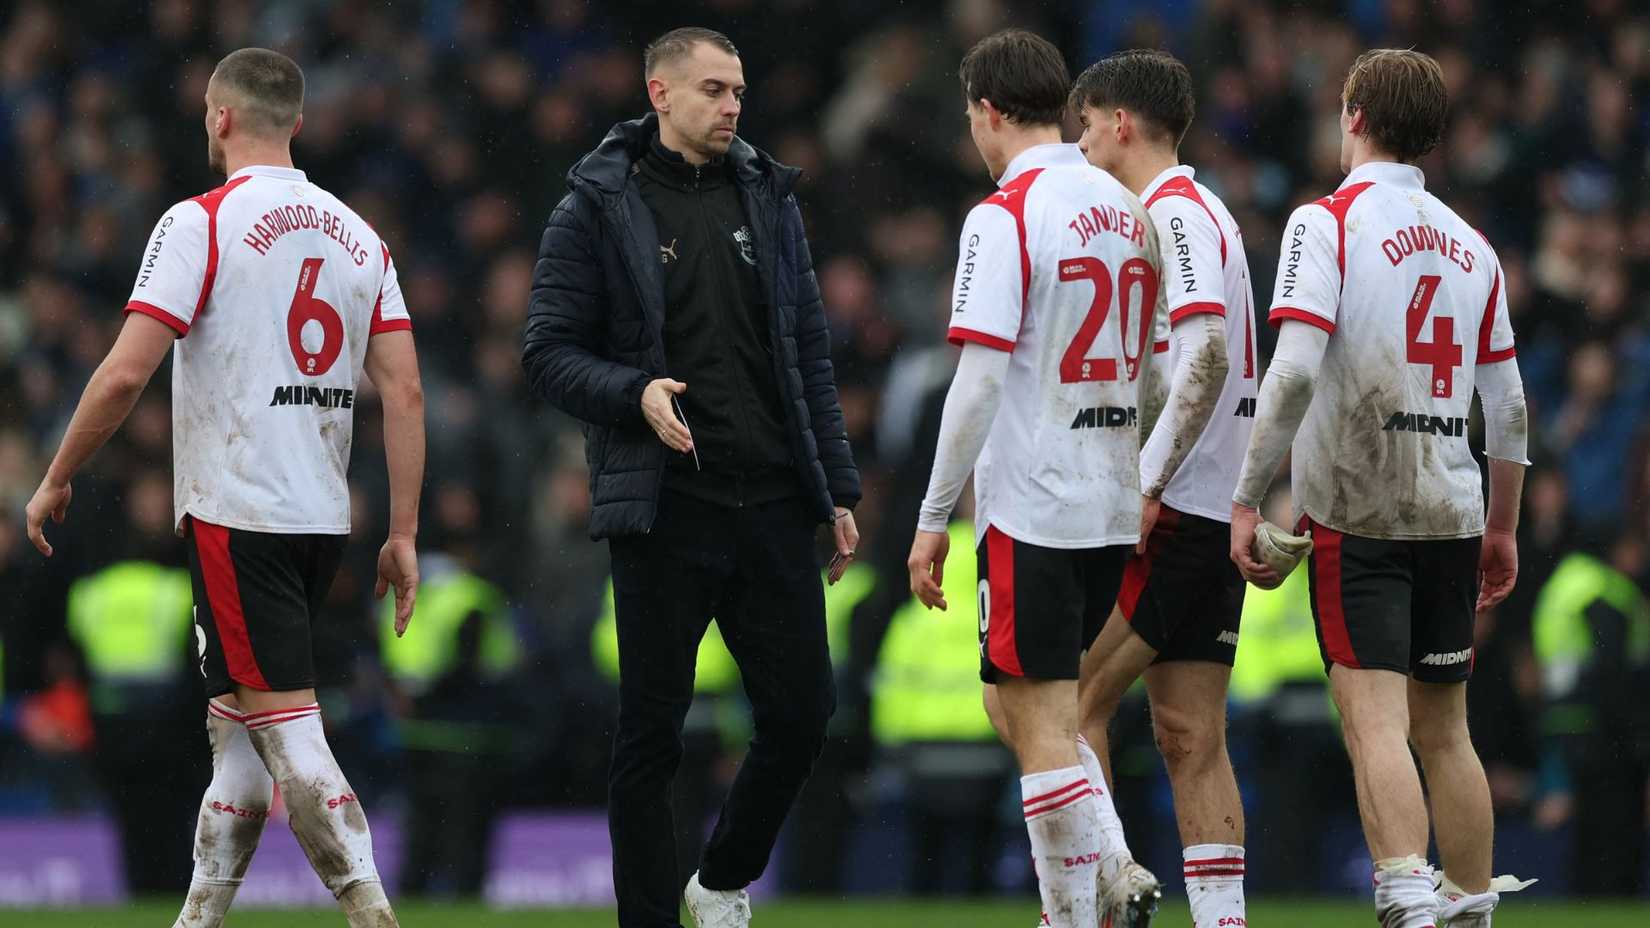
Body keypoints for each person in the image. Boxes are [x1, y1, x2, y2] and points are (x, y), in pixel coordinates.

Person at [23, 48, 425, 928]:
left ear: (218, 119)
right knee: (237, 745)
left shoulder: (198, 223)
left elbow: (127, 374)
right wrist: (403, 531)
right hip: (323, 521)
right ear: (299, 123)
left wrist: (57, 476)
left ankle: (372, 911)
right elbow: (403, 390)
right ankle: (196, 920)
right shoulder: (362, 235)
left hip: (236, 514)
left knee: (288, 733)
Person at [520, 26, 861, 928]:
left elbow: (807, 354)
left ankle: (718, 882)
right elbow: (546, 352)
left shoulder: (769, 195)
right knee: (652, 736)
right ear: (659, 94)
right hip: (668, 503)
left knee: (803, 717)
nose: (732, 106)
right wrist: (633, 393)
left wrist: (836, 489)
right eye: (713, 90)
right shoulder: (595, 203)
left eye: (739, 90)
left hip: (777, 499)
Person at [906, 29, 1214, 928]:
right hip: (1111, 503)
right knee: (1023, 705)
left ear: (988, 112)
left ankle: (1070, 915)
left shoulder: (1002, 216)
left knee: (1041, 726)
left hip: (1034, 502)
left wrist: (933, 515)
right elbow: (1158, 369)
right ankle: (1113, 864)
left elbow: (978, 379)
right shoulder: (1130, 209)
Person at [1228, 49, 1529, 928]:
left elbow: (1288, 377)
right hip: (1451, 509)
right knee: (1447, 731)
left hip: (1358, 509)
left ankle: (1405, 894)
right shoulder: (1475, 246)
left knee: (1375, 725)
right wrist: (1502, 528)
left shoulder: (1325, 224)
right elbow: (1506, 405)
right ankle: (1471, 905)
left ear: (1353, 114)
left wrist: (1249, 496)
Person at [1067, 49, 1256, 928]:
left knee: (1062, 704)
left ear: (1119, 124)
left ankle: (1102, 893)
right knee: (1188, 734)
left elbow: (1208, 356)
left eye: (1085, 124)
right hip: (1208, 507)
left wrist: (1144, 480)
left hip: (1174, 506)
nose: (1079, 144)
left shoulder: (1173, 217)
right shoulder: (1204, 212)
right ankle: (1221, 918)